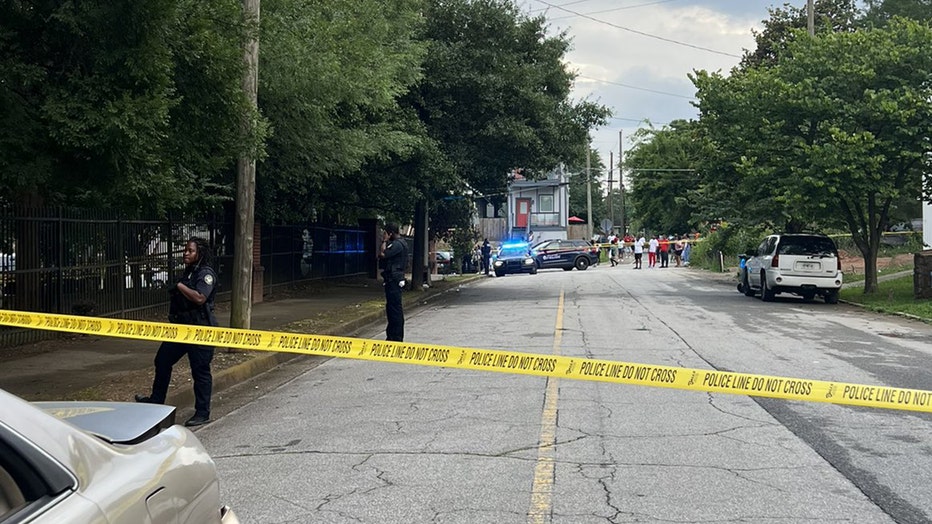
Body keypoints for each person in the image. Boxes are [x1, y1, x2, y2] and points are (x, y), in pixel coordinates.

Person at [136, 237, 218, 427]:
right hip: (181, 329)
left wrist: (180, 286)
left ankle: (202, 413)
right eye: (185, 250)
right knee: (162, 360)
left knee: (200, 370)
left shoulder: (206, 274)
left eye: (190, 251)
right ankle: (156, 402)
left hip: (200, 330)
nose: (186, 253)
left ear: (200, 253)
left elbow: (200, 298)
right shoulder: (189, 272)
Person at [379, 223, 408, 342]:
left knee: (394, 309)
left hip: (394, 279)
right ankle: (392, 335)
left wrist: (384, 241)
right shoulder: (401, 243)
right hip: (394, 278)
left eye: (385, 233)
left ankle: (395, 337)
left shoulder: (397, 244)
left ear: (390, 233)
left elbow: (383, 254)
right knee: (392, 308)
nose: (384, 235)